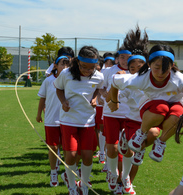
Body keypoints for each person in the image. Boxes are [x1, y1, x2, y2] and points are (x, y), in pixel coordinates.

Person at [109, 44, 183, 164]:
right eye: (157, 67)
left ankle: (161, 142)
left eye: (166, 68)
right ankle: (141, 133)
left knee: (179, 113)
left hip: (174, 111)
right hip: (151, 108)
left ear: (172, 66)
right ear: (149, 64)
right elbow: (115, 81)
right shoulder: (141, 77)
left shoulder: (180, 80)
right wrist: (114, 102)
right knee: (161, 107)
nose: (161, 73)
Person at [108, 26, 160, 194]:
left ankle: (127, 182)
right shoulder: (126, 80)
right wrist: (112, 101)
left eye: (140, 67)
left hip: (149, 121)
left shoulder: (154, 78)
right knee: (130, 154)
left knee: (150, 138)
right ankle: (123, 182)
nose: (136, 71)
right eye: (132, 68)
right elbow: (113, 90)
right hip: (132, 121)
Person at [54, 46, 104, 195]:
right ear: (77, 62)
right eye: (84, 67)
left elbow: (98, 88)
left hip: (88, 121)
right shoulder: (66, 74)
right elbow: (58, 89)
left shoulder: (99, 76)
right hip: (69, 120)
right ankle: (71, 186)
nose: (87, 71)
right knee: (71, 155)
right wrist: (63, 102)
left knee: (88, 156)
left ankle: (83, 185)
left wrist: (95, 98)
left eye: (91, 68)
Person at [100, 47, 131, 193]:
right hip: (111, 114)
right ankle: (113, 174)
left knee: (127, 150)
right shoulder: (108, 71)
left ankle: (123, 179)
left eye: (128, 57)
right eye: (122, 57)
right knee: (112, 148)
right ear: (117, 58)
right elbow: (100, 87)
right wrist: (105, 94)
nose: (125, 60)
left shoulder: (137, 72)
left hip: (130, 115)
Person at [36, 55, 70, 187]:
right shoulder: (48, 81)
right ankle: (53, 171)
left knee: (68, 148)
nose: (65, 67)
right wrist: (39, 114)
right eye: (62, 64)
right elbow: (42, 98)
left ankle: (68, 173)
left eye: (68, 65)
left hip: (67, 120)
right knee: (54, 147)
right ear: (55, 66)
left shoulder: (71, 81)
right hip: (51, 119)